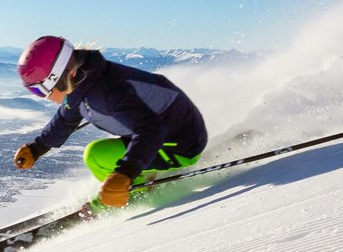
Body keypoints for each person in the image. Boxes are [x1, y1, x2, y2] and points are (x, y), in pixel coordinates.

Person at [12, 34, 208, 207]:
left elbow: (151, 129)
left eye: (39, 89)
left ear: (59, 77)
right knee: (98, 154)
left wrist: (125, 173)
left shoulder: (107, 92)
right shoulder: (81, 83)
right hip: (168, 133)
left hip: (180, 145)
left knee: (95, 156)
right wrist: (37, 148)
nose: (43, 96)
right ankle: (131, 182)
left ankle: (131, 193)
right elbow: (65, 119)